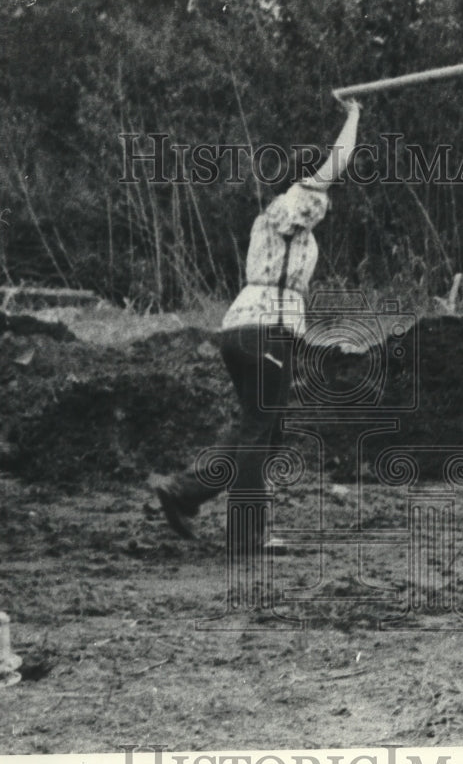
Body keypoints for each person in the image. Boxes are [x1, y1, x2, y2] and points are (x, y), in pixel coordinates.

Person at [148, 98, 362, 541]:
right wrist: (354, 116)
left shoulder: (272, 219)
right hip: (266, 331)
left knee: (260, 426)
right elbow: (334, 166)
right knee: (259, 430)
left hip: (247, 330)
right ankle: (243, 532)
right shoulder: (293, 204)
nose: (326, 203)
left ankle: (186, 491)